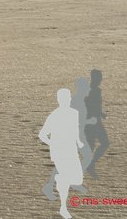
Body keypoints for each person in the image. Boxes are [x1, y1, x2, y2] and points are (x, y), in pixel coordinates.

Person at [39, 88, 85, 219]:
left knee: (78, 180)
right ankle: (63, 208)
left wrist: (79, 142)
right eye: (64, 99)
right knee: (67, 177)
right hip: (59, 152)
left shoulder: (74, 113)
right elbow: (42, 135)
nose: (67, 100)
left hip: (72, 150)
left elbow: (75, 130)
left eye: (68, 98)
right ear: (59, 100)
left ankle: (60, 179)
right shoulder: (54, 116)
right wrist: (53, 144)